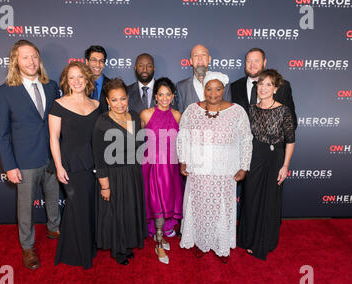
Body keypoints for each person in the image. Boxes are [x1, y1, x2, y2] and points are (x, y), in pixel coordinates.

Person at [0, 40, 60, 270]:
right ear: (15, 61)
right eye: (25, 57)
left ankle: (54, 229)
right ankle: (28, 246)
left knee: (53, 199)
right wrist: (10, 166)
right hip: (24, 162)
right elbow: (2, 134)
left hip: (52, 158)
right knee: (25, 208)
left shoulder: (51, 86)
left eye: (34, 56)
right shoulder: (4, 93)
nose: (31, 61)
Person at [177, 72, 253, 264]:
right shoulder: (192, 110)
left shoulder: (237, 111)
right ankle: (201, 243)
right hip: (199, 169)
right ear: (204, 90)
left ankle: (221, 245)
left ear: (224, 90)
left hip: (224, 171)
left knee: (222, 208)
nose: (213, 93)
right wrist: (183, 160)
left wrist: (244, 166)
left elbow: (246, 139)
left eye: (218, 89)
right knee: (199, 207)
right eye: (209, 89)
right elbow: (183, 136)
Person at [237, 69, 295, 261]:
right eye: (261, 84)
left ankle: (263, 242)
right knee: (251, 198)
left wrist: (285, 166)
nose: (263, 88)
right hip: (254, 157)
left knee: (269, 201)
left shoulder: (283, 110)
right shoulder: (251, 109)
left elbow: (290, 140)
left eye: (268, 84)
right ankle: (248, 239)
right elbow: (245, 138)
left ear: (275, 88)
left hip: (275, 158)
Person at [49, 61, 100, 269]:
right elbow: (53, 138)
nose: (77, 81)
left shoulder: (96, 105)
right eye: (72, 77)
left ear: (87, 78)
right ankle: (76, 253)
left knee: (90, 206)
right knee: (76, 207)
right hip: (71, 165)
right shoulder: (58, 104)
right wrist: (59, 166)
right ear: (66, 81)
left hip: (93, 164)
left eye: (80, 76)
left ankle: (89, 246)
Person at [92, 78, 148, 265]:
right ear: (107, 101)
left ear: (128, 98)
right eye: (114, 100)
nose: (119, 104)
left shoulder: (134, 115)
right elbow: (98, 156)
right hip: (113, 175)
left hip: (132, 173)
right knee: (116, 213)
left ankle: (127, 244)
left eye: (122, 99)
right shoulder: (102, 121)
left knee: (130, 211)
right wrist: (105, 185)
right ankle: (118, 249)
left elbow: (140, 144)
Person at [140, 77, 183, 264]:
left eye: (168, 94)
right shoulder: (146, 114)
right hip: (152, 166)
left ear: (173, 96)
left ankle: (161, 236)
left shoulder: (178, 115)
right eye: (161, 95)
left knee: (167, 202)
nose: (164, 98)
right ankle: (158, 245)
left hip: (171, 167)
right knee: (156, 202)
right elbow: (140, 139)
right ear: (155, 96)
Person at [230, 48, 297, 129]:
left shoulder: (282, 86)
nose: (252, 65)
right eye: (249, 61)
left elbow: (291, 121)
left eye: (256, 61)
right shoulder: (234, 87)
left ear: (264, 62)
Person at [176, 44, 231, 114]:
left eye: (203, 55)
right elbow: (182, 117)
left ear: (209, 59)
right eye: (195, 55)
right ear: (191, 61)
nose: (200, 58)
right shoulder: (181, 87)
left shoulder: (223, 83)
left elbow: (228, 112)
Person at [85, 45, 110, 113]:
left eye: (101, 61)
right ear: (87, 62)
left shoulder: (111, 86)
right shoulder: (79, 85)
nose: (98, 65)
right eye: (94, 60)